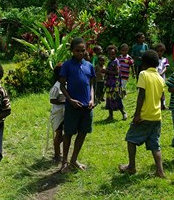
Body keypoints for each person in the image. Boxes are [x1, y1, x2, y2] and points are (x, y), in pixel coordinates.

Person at [118, 50, 166, 178]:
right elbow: (162, 98)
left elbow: (141, 95)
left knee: (131, 139)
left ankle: (131, 167)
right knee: (155, 144)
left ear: (144, 63)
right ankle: (160, 171)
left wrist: (137, 114)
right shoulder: (160, 78)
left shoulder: (143, 74)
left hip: (144, 115)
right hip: (157, 116)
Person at [59, 37, 96, 173]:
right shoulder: (67, 65)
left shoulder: (89, 66)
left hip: (87, 107)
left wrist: (92, 99)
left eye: (82, 50)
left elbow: (91, 84)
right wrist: (70, 100)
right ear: (72, 51)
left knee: (82, 133)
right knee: (68, 133)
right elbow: (62, 86)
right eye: (77, 51)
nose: (80, 53)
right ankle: (64, 162)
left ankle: (74, 159)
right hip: (73, 106)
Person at [102, 45, 127, 121]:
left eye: (112, 54)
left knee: (117, 99)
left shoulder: (116, 62)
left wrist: (106, 71)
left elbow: (116, 72)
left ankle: (124, 113)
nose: (111, 55)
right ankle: (110, 116)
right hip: (109, 84)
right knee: (109, 99)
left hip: (115, 84)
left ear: (115, 54)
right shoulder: (110, 62)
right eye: (109, 54)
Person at [49, 64, 66, 163]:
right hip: (57, 113)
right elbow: (52, 100)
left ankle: (59, 150)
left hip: (65, 112)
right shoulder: (56, 87)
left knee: (69, 132)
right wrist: (65, 102)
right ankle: (57, 154)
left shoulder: (66, 84)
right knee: (58, 134)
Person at [154, 43, 169, 110]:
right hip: (154, 78)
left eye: (161, 51)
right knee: (156, 91)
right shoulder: (154, 60)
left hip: (162, 78)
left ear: (163, 51)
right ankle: (157, 105)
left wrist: (161, 73)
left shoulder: (165, 59)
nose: (159, 53)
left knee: (162, 91)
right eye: (158, 51)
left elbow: (166, 68)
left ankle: (163, 104)